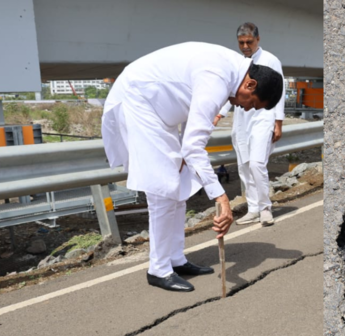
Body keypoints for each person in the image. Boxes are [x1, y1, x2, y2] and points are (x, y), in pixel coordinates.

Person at [102, 42, 283, 292]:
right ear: (250, 84)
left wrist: (187, 160)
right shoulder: (218, 79)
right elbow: (193, 145)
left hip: (161, 109)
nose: (246, 108)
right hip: (139, 100)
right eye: (252, 103)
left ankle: (176, 259)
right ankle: (159, 269)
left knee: (180, 183)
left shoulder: (231, 73)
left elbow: (193, 130)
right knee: (164, 189)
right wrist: (222, 198)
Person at [213, 23, 285, 227]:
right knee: (244, 165)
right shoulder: (237, 62)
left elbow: (278, 93)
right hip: (242, 118)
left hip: (264, 116)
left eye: (249, 42)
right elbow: (230, 90)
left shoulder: (271, 60)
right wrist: (219, 113)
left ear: (258, 40)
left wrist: (278, 123)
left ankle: (265, 208)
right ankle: (253, 208)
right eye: (241, 42)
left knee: (256, 164)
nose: (245, 46)